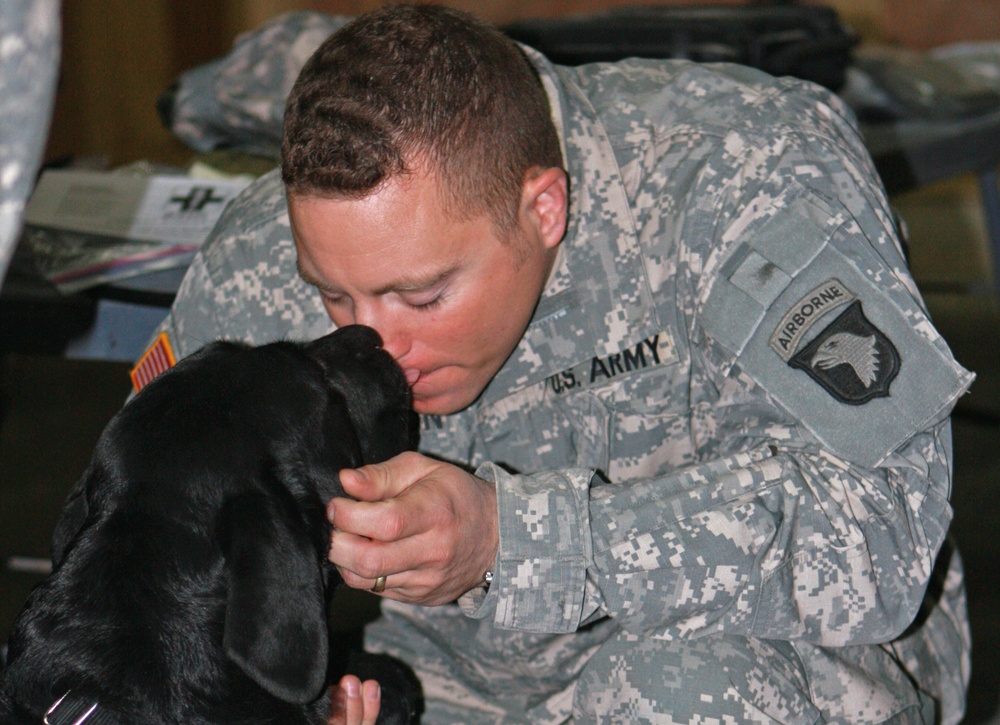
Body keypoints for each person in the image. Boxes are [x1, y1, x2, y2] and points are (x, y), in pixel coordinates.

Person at [148, 5, 975, 723]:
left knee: (675, 691)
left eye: (424, 295)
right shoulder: (252, 261)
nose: (373, 345)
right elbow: (144, 568)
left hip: (757, 662)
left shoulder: (742, 171)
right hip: (437, 681)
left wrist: (512, 540)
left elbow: (880, 528)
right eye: (331, 295)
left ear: (544, 206)